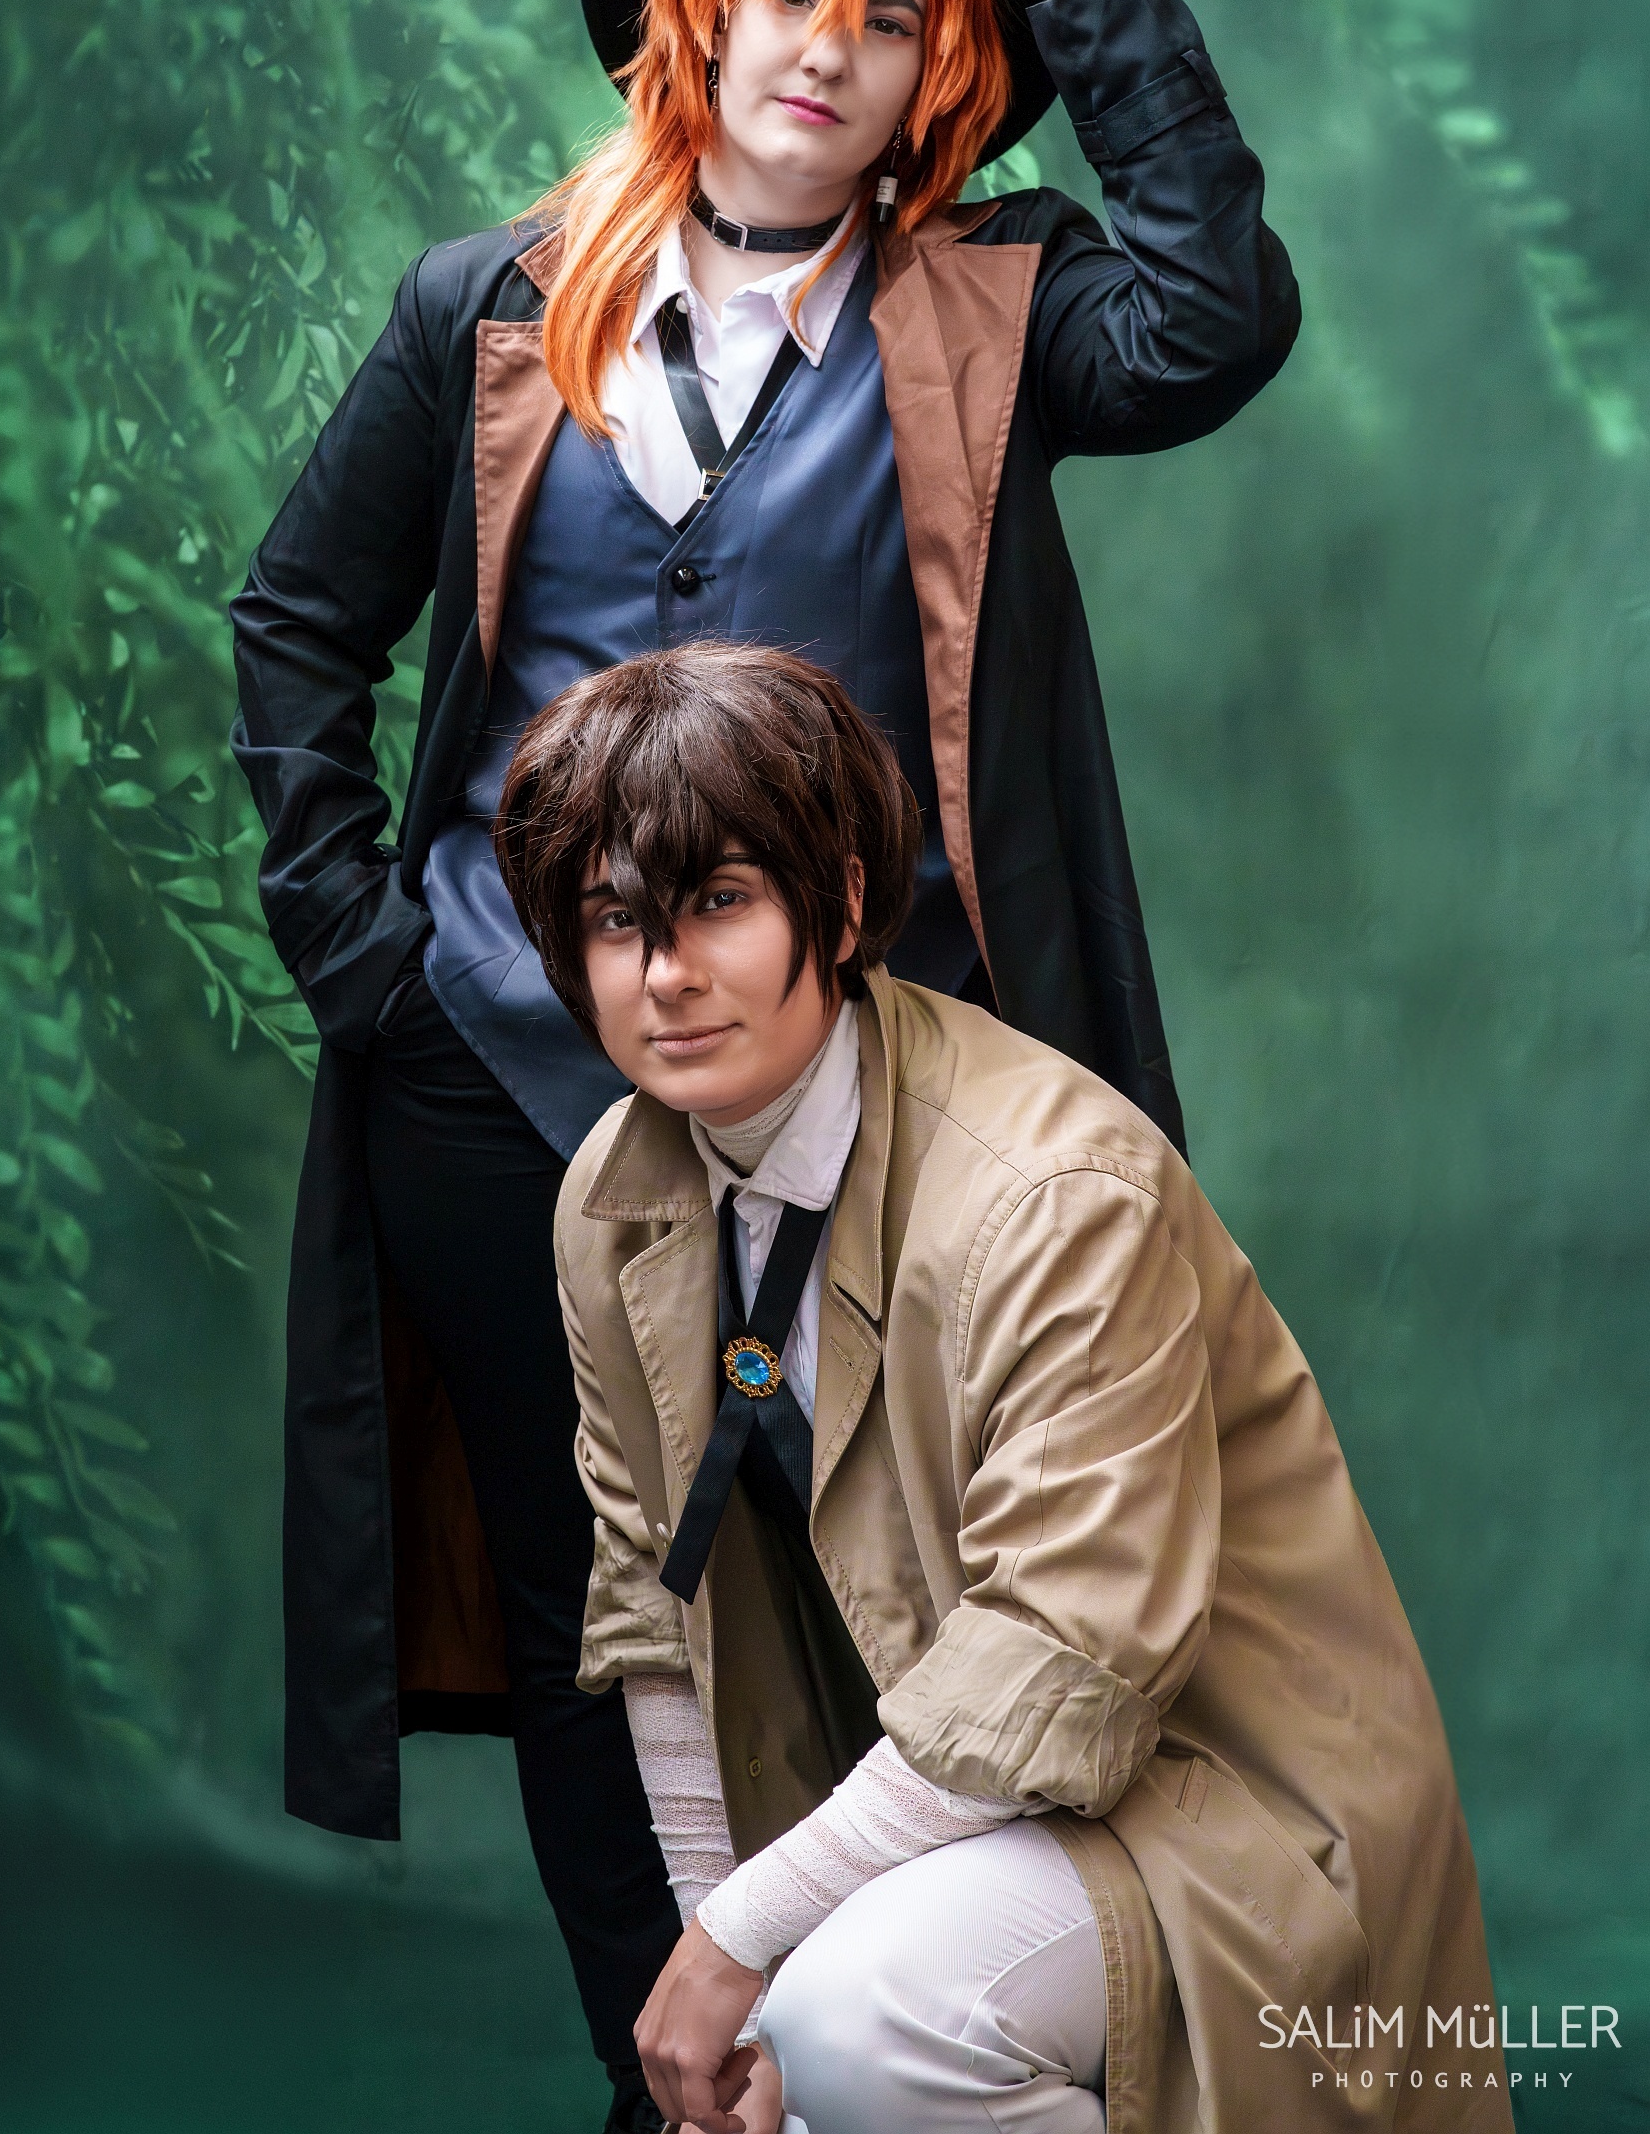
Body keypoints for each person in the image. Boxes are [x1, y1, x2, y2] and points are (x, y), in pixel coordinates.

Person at [229, 0, 1300, 2128]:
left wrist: (1110, 13)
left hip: (868, 1098)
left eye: (895, 18)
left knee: (872, 1581)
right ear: (694, 10)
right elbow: (298, 622)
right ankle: (672, 2088)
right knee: (593, 1621)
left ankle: (864, 2045)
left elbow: (1216, 320)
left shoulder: (987, 309)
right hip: (495, 1073)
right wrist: (362, 959)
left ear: (946, 77)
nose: (830, 46)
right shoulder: (488, 306)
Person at [494, 640, 1509, 2134]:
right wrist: (731, 1975)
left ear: (844, 900)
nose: (667, 974)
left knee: (866, 2019)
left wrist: (745, 1945)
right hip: (959, 1805)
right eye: (616, 920)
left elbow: (1060, 1655)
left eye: (721, 901)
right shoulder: (613, 1199)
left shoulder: (1050, 1193)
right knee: (806, 2028)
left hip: (1210, 1804)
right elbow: (658, 1611)